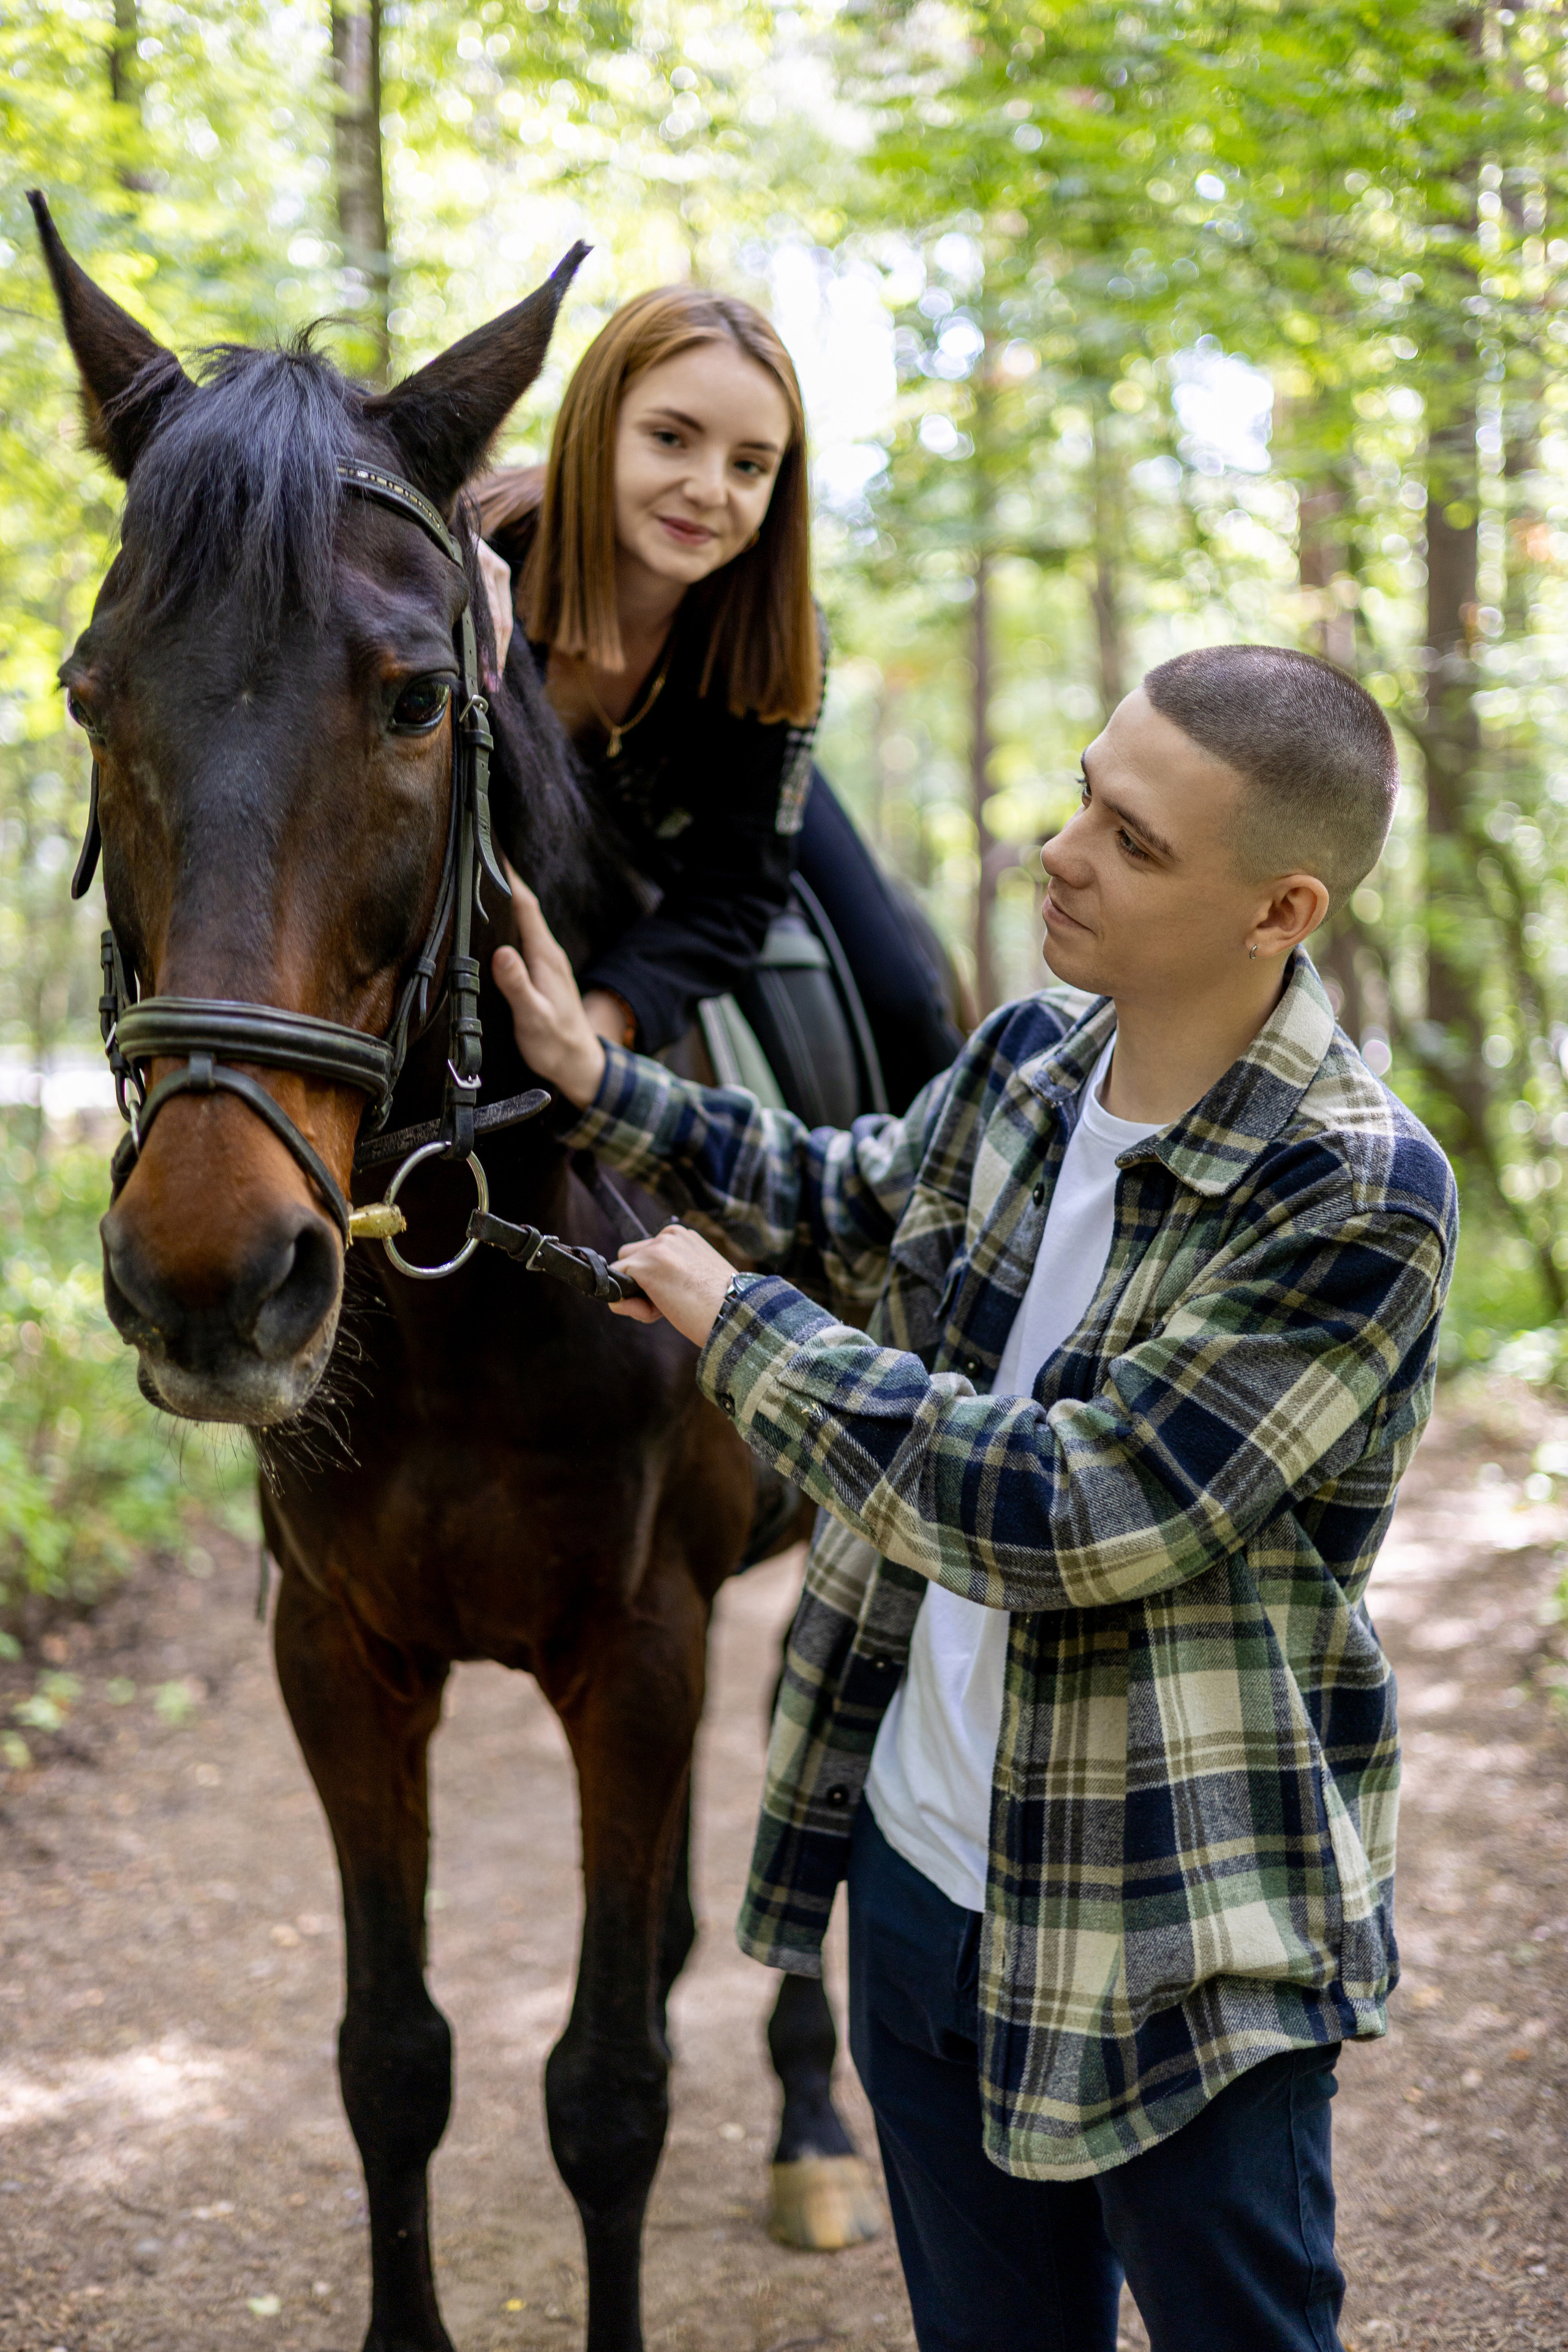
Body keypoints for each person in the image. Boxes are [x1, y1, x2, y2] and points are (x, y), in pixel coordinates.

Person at [491, 642, 1458, 2352]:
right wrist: (595, 1075)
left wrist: (743, 1328)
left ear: (1279, 910)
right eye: (1088, 791)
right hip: (925, 1881)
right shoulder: (1028, 1059)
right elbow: (845, 1192)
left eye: (1135, 841)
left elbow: (1069, 1515)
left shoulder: (1355, 1188)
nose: (1064, 850)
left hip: (1169, 1929)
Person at [471, 285, 963, 1112]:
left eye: (749, 466)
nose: (709, 488)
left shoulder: (774, 633)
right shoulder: (480, 559)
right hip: (521, 855)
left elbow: (736, 888)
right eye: (671, 439)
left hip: (702, 819)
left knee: (903, 996)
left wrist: (609, 1016)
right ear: (599, 428)